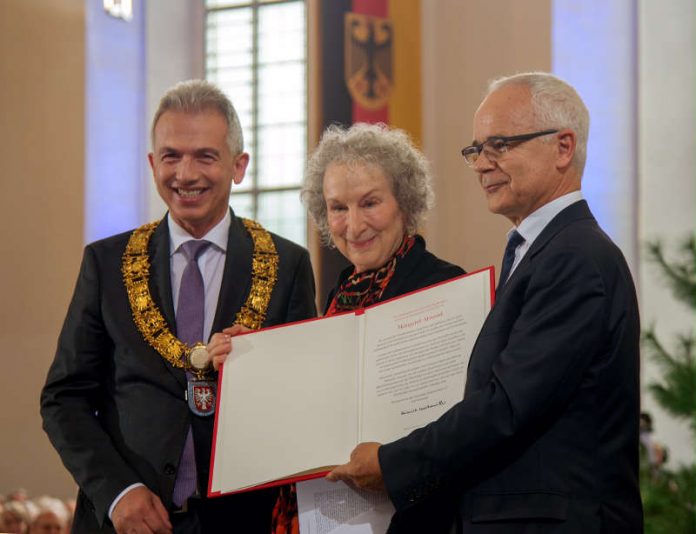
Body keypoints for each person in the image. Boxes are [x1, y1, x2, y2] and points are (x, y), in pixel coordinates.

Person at [327, 72, 643, 532]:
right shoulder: (543, 249)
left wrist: (391, 463)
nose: (481, 164)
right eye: (476, 149)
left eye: (500, 144)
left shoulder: (576, 258)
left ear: (563, 147)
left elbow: (507, 406)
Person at [40, 79, 317, 534]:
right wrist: (116, 493)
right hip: (126, 521)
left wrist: (266, 369)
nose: (185, 174)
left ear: (238, 165)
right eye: (171, 156)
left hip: (241, 522)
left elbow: (306, 401)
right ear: (153, 164)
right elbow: (62, 399)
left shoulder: (288, 266)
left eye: (205, 156)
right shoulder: (105, 263)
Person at [208, 122, 466, 533]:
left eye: (370, 203)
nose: (353, 224)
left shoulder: (444, 285)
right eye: (338, 208)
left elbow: (460, 428)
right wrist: (251, 361)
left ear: (404, 201)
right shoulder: (341, 293)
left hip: (414, 517)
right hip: (332, 513)